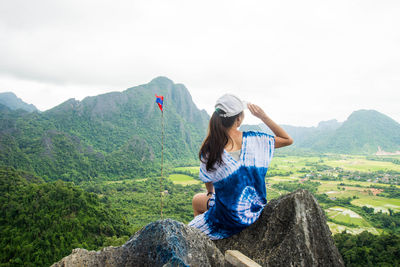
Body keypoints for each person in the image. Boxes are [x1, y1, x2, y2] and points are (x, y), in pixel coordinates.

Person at [188, 94, 293, 240]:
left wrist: (210, 192)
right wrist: (263, 116)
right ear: (238, 119)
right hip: (254, 212)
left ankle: (205, 243)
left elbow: (208, 182)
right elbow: (287, 139)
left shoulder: (210, 149)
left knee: (196, 200)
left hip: (228, 218)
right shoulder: (256, 139)